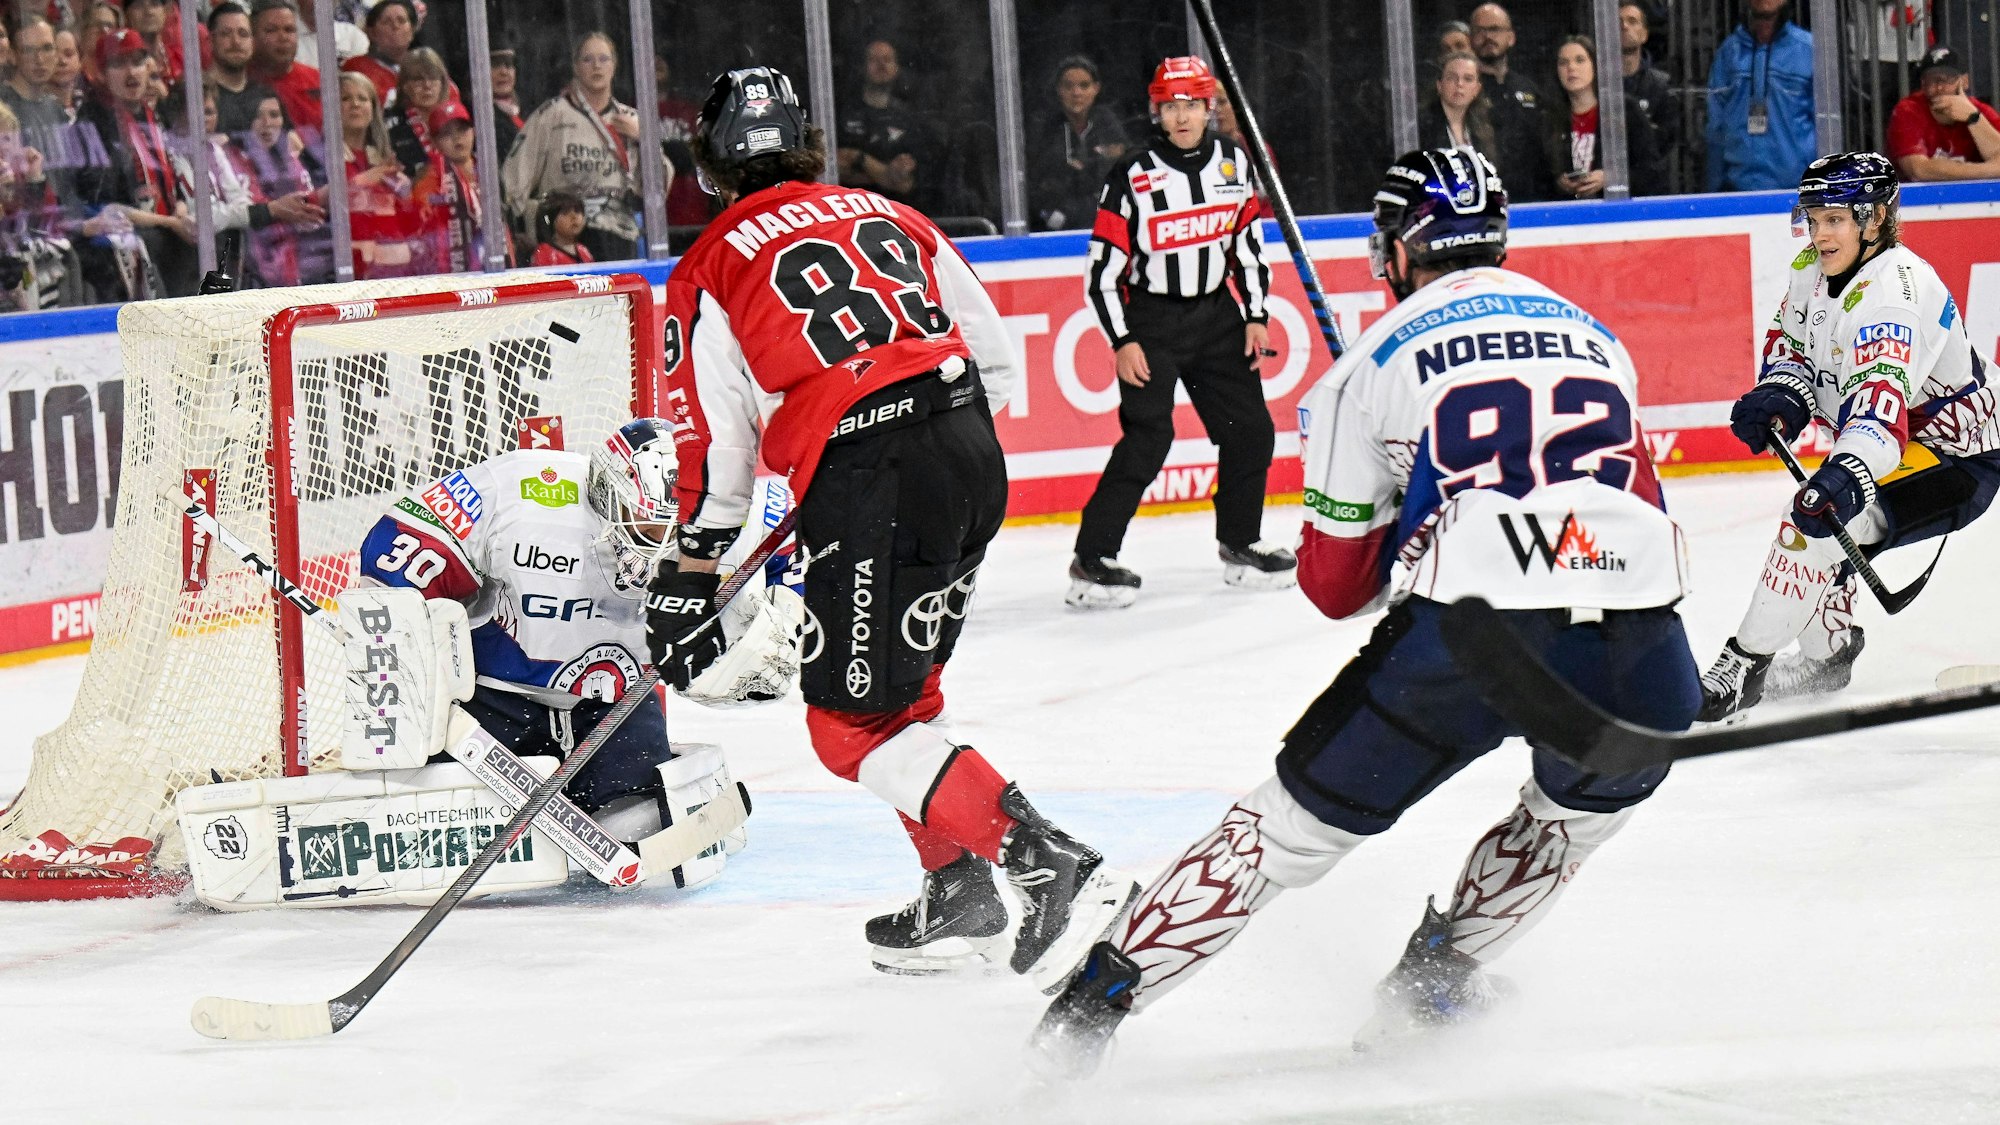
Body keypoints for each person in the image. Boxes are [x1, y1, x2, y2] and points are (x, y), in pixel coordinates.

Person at [1030, 147, 1700, 1076]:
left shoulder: (1367, 366)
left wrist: (1404, 517)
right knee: (1568, 821)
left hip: (1469, 637)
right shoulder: (1596, 334)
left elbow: (1335, 587)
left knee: (1281, 835)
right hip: (1641, 641)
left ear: (1396, 249)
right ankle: (1432, 984)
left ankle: (1085, 1014)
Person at [651, 66, 1137, 987]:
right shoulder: (886, 212)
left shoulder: (710, 262)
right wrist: (913, 444)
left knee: (849, 726)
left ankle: (1041, 858)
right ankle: (956, 889)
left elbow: (718, 457)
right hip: (966, 448)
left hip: (878, 475)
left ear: (711, 161)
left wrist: (689, 576)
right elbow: (993, 355)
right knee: (903, 696)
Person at [353, 419, 798, 886]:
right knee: (449, 837)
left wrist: (791, 608)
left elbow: (805, 528)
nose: (666, 548)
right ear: (607, 498)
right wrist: (404, 652)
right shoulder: (520, 493)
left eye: (681, 531)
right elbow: (394, 546)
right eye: (650, 526)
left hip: (617, 707)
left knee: (645, 837)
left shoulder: (731, 509)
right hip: (496, 702)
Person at [1697, 152, 2000, 718]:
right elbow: (1792, 347)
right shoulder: (1811, 267)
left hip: (1957, 459)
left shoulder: (1896, 294)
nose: (1819, 233)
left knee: (1812, 516)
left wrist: (1848, 468)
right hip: (1898, 440)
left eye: (1834, 219)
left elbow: (1879, 417)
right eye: (1813, 218)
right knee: (1825, 516)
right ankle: (1829, 653)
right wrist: (1782, 395)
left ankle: (1741, 668)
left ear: (1876, 218)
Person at [1068, 56, 1293, 609]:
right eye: (1172, 106)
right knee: (1149, 439)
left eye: (1192, 104)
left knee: (1250, 432)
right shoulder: (1132, 175)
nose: (1183, 116)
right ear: (1157, 112)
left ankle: (1240, 542)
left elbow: (1247, 246)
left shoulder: (1235, 163)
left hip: (1218, 316)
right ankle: (1093, 558)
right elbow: (1102, 273)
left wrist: (1256, 314)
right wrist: (1123, 341)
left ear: (1209, 107)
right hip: (1152, 321)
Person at [502, 31, 654, 263]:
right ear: (575, 66)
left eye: (604, 59)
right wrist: (524, 232)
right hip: (564, 241)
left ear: (614, 66)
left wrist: (644, 140)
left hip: (620, 238)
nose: (596, 66)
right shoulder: (551, 116)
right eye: (587, 59)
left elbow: (658, 189)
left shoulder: (632, 120)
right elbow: (513, 181)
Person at [1705, 0, 1814, 193]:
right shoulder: (1728, 52)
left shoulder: (1809, 50)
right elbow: (1715, 126)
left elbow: (1826, 126)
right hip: (1737, 191)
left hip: (1798, 191)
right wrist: (1714, 191)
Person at [1548, 34, 1663, 198]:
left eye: (1580, 60)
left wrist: (1611, 179)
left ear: (1594, 66)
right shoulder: (1550, 117)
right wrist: (1559, 182)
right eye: (1563, 63)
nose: (1571, 68)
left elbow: (1651, 171)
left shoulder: (1624, 110)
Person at [1027, 55, 1128, 233]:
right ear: (1059, 89)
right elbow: (1040, 180)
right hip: (1060, 225)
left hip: (1107, 219)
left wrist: (1086, 166)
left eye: (1084, 85)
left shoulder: (1108, 123)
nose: (1076, 93)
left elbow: (1118, 166)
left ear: (1096, 88)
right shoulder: (1047, 129)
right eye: (1068, 86)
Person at [338, 69, 422, 279]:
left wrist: (407, 196)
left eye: (362, 99)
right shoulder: (321, 157)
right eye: (345, 98)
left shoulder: (385, 158)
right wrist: (365, 180)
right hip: (352, 276)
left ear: (373, 108)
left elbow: (410, 222)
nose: (355, 104)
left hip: (397, 273)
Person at [1468, 2, 1552, 201]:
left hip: (1531, 201)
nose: (1488, 36)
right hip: (1481, 202)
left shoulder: (1529, 88)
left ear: (1511, 37)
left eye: (1495, 29)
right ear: (1470, 38)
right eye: (1480, 31)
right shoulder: (1465, 90)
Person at [1885, 46, 2000, 182]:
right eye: (1931, 81)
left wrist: (1973, 118)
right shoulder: (1908, 110)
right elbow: (1919, 170)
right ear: (1922, 84)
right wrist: (1990, 170)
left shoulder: (1980, 111)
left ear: (1964, 82)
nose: (1939, 88)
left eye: (1947, 79)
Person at [414, 100, 504, 272]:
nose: (457, 138)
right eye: (447, 133)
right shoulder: (429, 180)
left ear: (474, 131)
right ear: (434, 141)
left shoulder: (489, 169)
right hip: (450, 273)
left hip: (495, 265)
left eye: (462, 129)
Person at [834, 39, 927, 205]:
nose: (881, 65)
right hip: (850, 208)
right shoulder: (841, 112)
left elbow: (905, 183)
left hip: (896, 211)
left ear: (897, 68)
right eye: (874, 60)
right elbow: (834, 169)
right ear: (862, 68)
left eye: (887, 59)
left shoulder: (908, 118)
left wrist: (859, 159)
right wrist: (885, 173)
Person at [1619, 0, 1679, 184]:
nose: (1624, 26)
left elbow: (1665, 141)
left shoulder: (1661, 85)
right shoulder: (1597, 84)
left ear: (1645, 34)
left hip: (1649, 186)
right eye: (1618, 21)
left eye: (1632, 21)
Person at [248, 0, 324, 145]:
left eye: (289, 30)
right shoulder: (240, 81)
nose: (283, 38)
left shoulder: (319, 80)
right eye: (271, 30)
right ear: (253, 36)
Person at [209, 3, 278, 138]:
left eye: (243, 34)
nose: (236, 42)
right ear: (211, 40)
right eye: (226, 34)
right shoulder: (197, 95)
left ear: (252, 41)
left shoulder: (265, 94)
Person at [1420, 50, 1497, 165]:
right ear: (1439, 85)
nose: (1460, 84)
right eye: (1452, 78)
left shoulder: (1483, 129)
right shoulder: (1422, 127)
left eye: (1468, 79)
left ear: (1477, 89)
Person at [384, 46, 448, 179]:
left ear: (443, 83)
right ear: (405, 86)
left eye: (433, 77)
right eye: (418, 79)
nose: (427, 86)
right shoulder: (388, 123)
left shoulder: (456, 120)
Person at [341, 0, 416, 107]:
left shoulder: (422, 66)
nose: (395, 26)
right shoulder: (356, 67)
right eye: (387, 22)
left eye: (401, 20)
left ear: (412, 31)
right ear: (371, 32)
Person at [529, 190, 590, 267]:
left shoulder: (583, 250)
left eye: (577, 211)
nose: (574, 217)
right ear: (551, 220)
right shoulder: (544, 252)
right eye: (565, 213)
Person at [489, 37, 522, 162]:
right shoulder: (481, 118)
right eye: (495, 65)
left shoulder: (527, 109)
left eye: (508, 64)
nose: (503, 72)